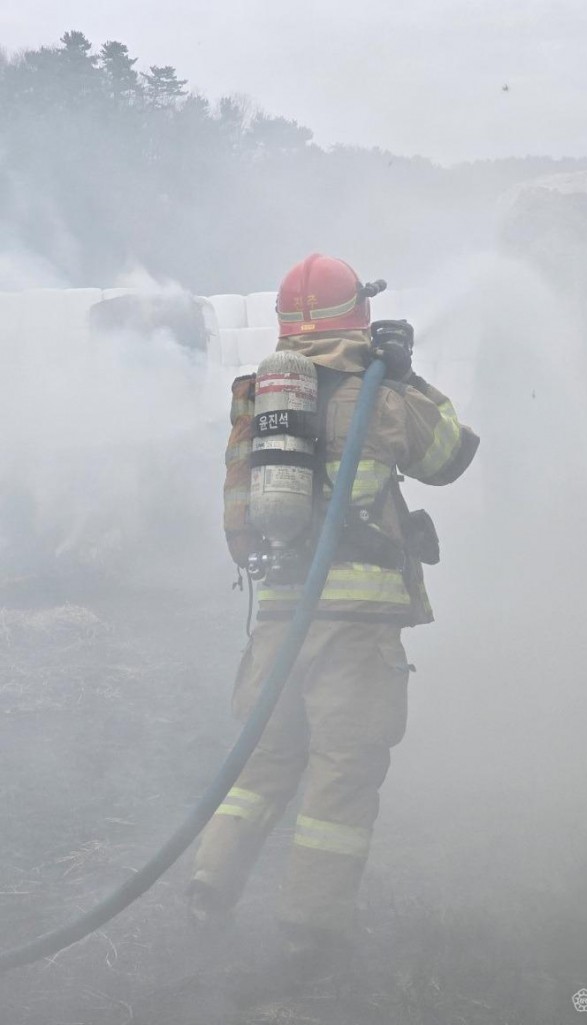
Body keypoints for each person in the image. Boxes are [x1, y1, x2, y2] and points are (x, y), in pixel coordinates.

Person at [189, 253, 479, 967]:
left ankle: (206, 886)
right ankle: (310, 932)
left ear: (288, 323)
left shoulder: (259, 394)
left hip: (279, 621)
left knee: (263, 761)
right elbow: (450, 453)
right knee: (341, 774)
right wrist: (406, 375)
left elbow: (238, 516)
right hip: (358, 627)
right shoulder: (377, 394)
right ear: (359, 318)